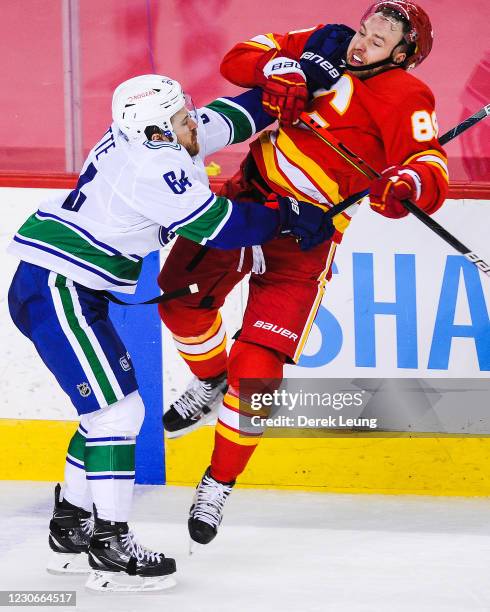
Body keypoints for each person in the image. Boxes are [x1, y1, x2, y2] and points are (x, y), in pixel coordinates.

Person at [6, 74, 334, 591]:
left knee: (105, 413)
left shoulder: (153, 134)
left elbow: (230, 119)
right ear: (159, 133)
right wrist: (287, 216)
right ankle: (110, 545)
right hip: (57, 286)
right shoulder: (154, 169)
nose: (193, 121)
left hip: (60, 283)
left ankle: (71, 527)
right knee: (119, 412)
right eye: (183, 118)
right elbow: (226, 228)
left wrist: (304, 80)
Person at [157, 0, 449, 545]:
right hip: (246, 204)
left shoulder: (409, 96)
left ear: (404, 56)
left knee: (259, 372)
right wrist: (279, 71)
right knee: (177, 301)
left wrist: (403, 186)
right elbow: (239, 58)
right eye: (367, 29)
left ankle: (219, 481)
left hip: (305, 241)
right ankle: (208, 379)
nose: (362, 43)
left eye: (380, 40)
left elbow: (430, 166)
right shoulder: (327, 39)